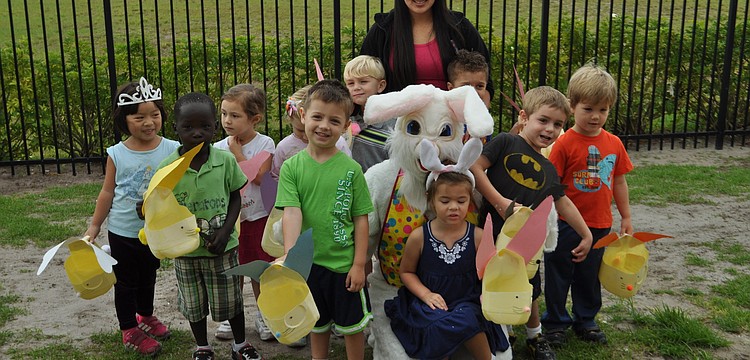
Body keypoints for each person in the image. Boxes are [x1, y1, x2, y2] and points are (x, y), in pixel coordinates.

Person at [469, 86, 594, 360]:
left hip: (527, 244)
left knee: (529, 289)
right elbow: (475, 168)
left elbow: (562, 202)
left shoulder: (548, 168)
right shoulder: (504, 142)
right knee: (490, 284)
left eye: (558, 124)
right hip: (491, 234)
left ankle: (535, 335)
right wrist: (501, 203)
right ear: (524, 117)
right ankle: (499, 330)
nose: (550, 129)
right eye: (543, 120)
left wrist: (586, 234)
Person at [275, 80, 374, 360]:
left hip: (344, 266)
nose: (323, 126)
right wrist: (291, 259)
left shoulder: (352, 169)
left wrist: (358, 265)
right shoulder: (292, 167)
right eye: (317, 116)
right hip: (310, 266)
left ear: (345, 126)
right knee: (316, 324)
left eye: (334, 120)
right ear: (303, 115)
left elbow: (361, 220)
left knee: (352, 327)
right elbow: (291, 213)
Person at [162, 92, 260, 360]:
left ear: (215, 127)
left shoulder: (225, 160)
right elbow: (159, 202)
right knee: (193, 304)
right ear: (176, 129)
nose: (197, 133)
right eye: (188, 127)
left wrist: (226, 230)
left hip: (223, 248)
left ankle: (240, 345)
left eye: (205, 126)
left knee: (230, 300)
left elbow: (234, 197)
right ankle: (202, 347)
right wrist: (144, 207)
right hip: (185, 252)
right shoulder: (169, 167)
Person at [84, 77, 178, 356]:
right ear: (123, 120)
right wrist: (94, 226)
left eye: (155, 115)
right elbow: (107, 193)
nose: (149, 122)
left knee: (149, 275)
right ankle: (129, 329)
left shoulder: (172, 148)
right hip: (123, 230)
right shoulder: (117, 153)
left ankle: (145, 316)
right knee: (125, 282)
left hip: (154, 230)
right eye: (139, 117)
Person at [542, 64, 634, 347]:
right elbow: (552, 186)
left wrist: (626, 216)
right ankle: (555, 322)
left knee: (589, 275)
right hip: (564, 224)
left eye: (603, 110)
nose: (596, 116)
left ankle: (586, 319)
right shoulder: (563, 143)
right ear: (572, 106)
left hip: (599, 223)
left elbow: (618, 181)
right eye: (588, 108)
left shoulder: (614, 143)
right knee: (559, 274)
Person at [384, 166, 509, 359]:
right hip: (431, 302)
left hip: (466, 300)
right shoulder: (419, 237)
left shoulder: (478, 236)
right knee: (435, 325)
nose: (453, 207)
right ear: (431, 200)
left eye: (461, 201)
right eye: (445, 200)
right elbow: (407, 272)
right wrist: (425, 294)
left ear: (470, 201)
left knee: (467, 318)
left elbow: (490, 273)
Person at [211, 84, 279, 344]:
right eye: (224, 114)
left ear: (255, 118)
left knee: (260, 270)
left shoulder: (265, 143)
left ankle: (264, 315)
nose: (227, 120)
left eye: (235, 115)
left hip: (258, 217)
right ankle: (232, 316)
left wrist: (237, 154)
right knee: (235, 270)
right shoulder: (217, 147)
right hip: (232, 220)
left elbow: (259, 177)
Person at [360, 0, 494, 97]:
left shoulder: (459, 27)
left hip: (451, 124)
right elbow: (360, 78)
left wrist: (473, 119)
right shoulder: (383, 30)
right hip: (396, 124)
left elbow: (486, 83)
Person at [270, 84, 351, 181]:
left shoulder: (339, 144)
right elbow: (276, 177)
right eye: (300, 130)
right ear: (303, 116)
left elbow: (348, 174)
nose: (305, 136)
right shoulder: (284, 147)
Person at [344, 55, 394, 173]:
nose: (356, 87)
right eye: (350, 83)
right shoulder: (347, 121)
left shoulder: (393, 124)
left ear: (380, 85)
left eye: (363, 81)